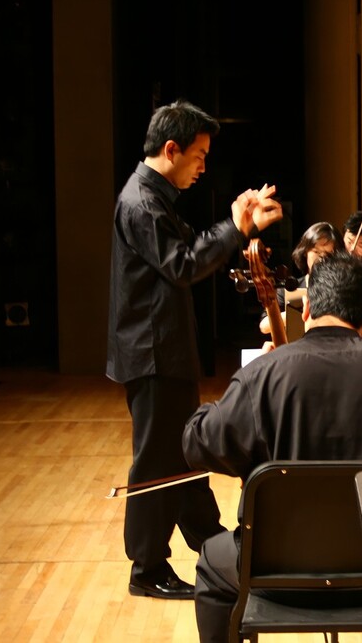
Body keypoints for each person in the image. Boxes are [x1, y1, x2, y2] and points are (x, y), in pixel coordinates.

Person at [183, 251, 362, 642]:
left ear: (305, 310)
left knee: (210, 566)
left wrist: (245, 384)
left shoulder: (263, 373)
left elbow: (198, 444)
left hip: (273, 569)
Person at [106, 99, 283, 600]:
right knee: (156, 462)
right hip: (152, 350)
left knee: (182, 452)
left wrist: (234, 220)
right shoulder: (141, 203)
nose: (204, 165)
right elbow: (183, 264)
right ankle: (146, 568)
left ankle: (210, 544)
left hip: (163, 348)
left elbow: (191, 252)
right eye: (199, 154)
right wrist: (237, 227)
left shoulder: (154, 199)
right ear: (171, 149)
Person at [258, 221, 344, 338]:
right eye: (316, 252)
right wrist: (305, 310)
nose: (322, 259)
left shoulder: (343, 288)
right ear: (305, 253)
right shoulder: (289, 288)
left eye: (328, 254)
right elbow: (264, 326)